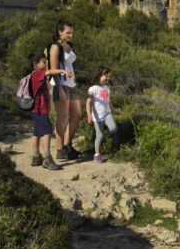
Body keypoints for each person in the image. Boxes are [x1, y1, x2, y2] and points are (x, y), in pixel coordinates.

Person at [48, 19, 82, 161]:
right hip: (60, 84)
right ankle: (60, 149)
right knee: (62, 119)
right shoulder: (55, 47)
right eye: (68, 33)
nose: (70, 36)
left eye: (71, 33)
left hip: (71, 84)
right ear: (60, 32)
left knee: (77, 116)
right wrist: (60, 89)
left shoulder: (69, 45)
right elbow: (53, 70)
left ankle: (68, 145)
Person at [28, 51, 67, 170]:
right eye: (44, 62)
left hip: (36, 110)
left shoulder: (33, 76)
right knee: (47, 132)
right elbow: (50, 72)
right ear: (36, 65)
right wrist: (62, 71)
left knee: (36, 133)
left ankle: (36, 157)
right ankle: (47, 158)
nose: (46, 65)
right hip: (40, 109)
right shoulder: (38, 74)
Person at [85, 66, 120, 163]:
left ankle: (111, 133)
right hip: (97, 117)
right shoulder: (93, 89)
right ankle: (97, 155)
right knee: (99, 135)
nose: (108, 78)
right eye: (106, 75)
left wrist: (114, 111)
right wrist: (89, 115)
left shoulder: (107, 88)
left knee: (113, 127)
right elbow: (88, 102)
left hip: (107, 114)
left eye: (109, 76)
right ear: (99, 75)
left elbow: (108, 102)